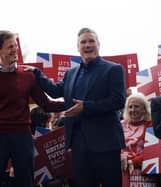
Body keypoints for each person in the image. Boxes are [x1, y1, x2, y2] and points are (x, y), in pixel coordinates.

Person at [24, 27, 126, 187]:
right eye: (83, 42)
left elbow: (118, 100)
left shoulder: (113, 69)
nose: (87, 45)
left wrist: (86, 107)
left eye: (91, 41)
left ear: (98, 44)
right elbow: (55, 90)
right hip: (78, 145)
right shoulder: (71, 73)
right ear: (77, 47)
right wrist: (37, 73)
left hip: (106, 143)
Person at [0, 30, 65, 187]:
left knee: (26, 181)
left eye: (15, 46)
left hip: (22, 137)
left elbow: (46, 104)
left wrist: (71, 103)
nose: (15, 50)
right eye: (10, 47)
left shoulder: (28, 75)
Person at [120, 93, 155, 177]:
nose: (133, 110)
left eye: (136, 106)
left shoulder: (150, 125)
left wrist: (134, 162)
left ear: (144, 109)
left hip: (143, 171)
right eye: (130, 107)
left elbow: (152, 152)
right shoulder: (120, 125)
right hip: (121, 169)